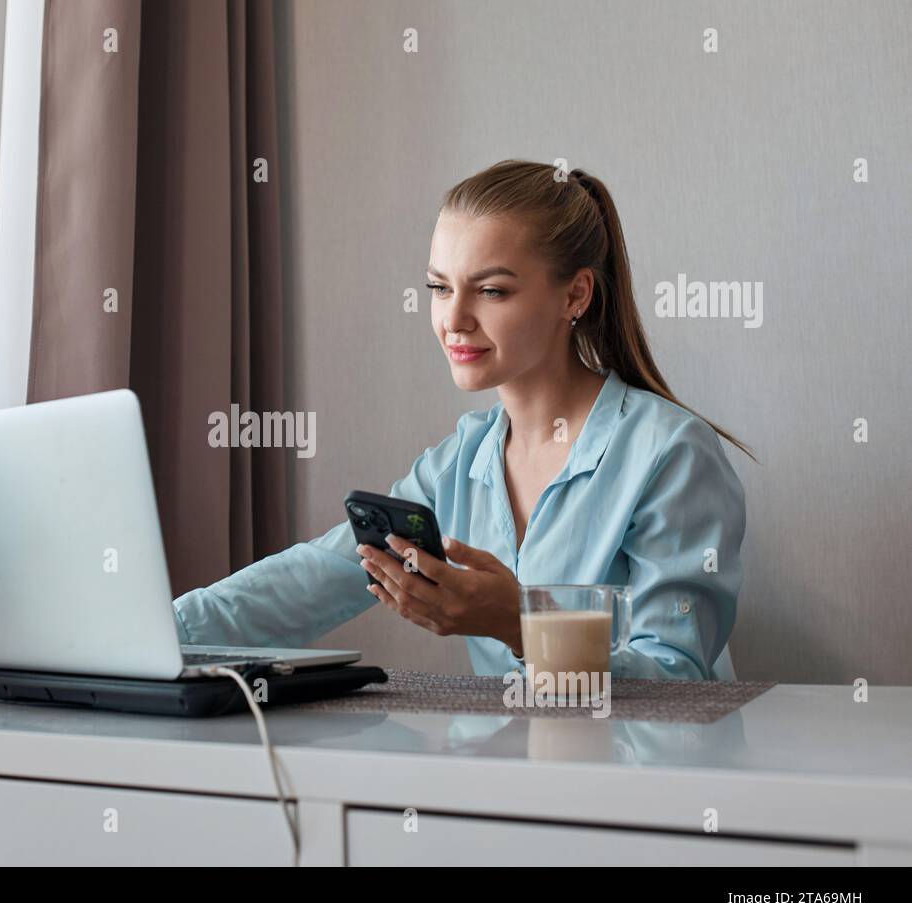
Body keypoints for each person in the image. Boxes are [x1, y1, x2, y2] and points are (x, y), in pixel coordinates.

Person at [174, 160, 753, 681]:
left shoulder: (670, 453)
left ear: (575, 295)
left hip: (649, 787)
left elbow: (676, 679)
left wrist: (522, 624)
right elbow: (312, 580)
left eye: (492, 291)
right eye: (438, 287)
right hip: (512, 777)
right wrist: (153, 631)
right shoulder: (456, 463)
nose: (454, 319)